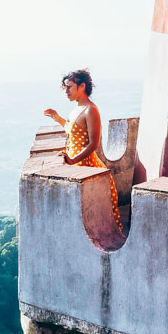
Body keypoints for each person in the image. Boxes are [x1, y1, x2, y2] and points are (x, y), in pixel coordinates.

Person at [44, 69, 124, 235]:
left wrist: (73, 161)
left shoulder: (90, 110)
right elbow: (72, 130)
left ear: (82, 86)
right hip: (76, 164)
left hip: (87, 166)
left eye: (70, 87)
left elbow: (93, 144)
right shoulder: (76, 109)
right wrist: (56, 117)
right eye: (65, 88)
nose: (66, 91)